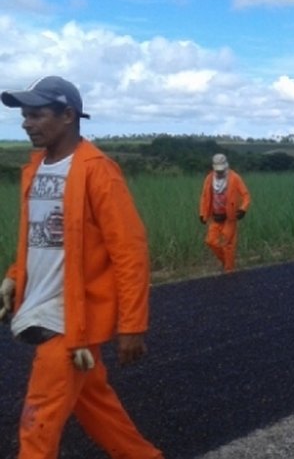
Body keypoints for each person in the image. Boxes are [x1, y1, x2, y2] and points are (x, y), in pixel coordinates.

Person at [0, 76, 164, 458]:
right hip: (42, 306)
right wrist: (14, 276)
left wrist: (132, 325)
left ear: (68, 115)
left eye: (37, 114)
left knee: (37, 424)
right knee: (97, 406)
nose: (26, 123)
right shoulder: (35, 169)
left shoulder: (96, 170)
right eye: (25, 115)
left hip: (72, 319)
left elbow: (129, 251)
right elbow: (41, 241)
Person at [199, 153, 251, 272]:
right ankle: (226, 262)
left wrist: (243, 209)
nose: (220, 172)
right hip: (215, 217)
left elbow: (246, 195)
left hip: (229, 218)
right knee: (211, 241)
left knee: (227, 244)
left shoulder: (235, 178)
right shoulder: (209, 179)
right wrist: (202, 213)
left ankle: (229, 270)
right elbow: (204, 197)